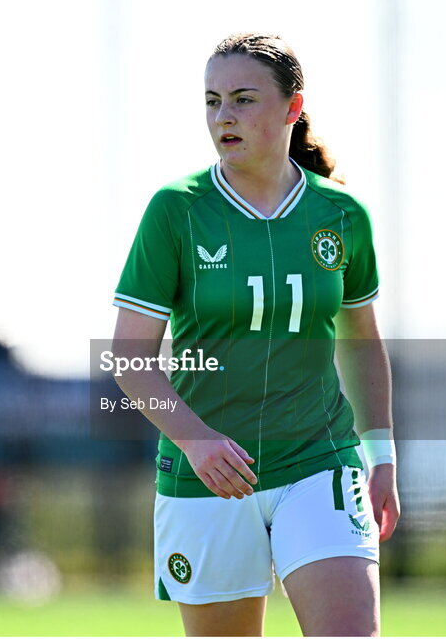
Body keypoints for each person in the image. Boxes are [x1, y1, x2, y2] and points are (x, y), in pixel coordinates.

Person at [110, 33, 399, 636]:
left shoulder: (343, 217)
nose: (224, 117)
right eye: (213, 101)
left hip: (320, 463)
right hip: (208, 479)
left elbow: (362, 343)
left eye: (243, 99)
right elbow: (130, 358)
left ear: (293, 108)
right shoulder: (176, 209)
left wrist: (382, 456)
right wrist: (194, 441)